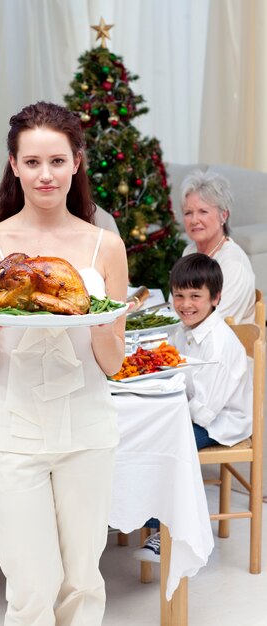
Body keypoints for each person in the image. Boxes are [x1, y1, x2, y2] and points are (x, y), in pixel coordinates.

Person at [0, 101, 128, 625]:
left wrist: (101, 321)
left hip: (86, 424)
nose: (45, 174)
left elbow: (113, 362)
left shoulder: (105, 245)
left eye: (56, 161)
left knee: (82, 579)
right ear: (13, 166)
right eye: (32, 162)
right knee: (30, 586)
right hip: (12, 426)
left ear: (77, 162)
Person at [134, 253, 252, 563]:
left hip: (222, 423)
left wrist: (165, 408)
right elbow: (177, 373)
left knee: (162, 444)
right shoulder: (184, 330)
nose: (186, 304)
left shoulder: (218, 345)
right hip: (196, 410)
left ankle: (166, 530)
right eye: (179, 295)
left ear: (215, 298)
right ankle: (139, 511)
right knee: (141, 431)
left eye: (195, 296)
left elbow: (204, 413)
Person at [180, 169, 255, 324]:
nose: (194, 220)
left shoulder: (233, 264)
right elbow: (178, 307)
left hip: (224, 345)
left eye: (203, 211)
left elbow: (215, 324)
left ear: (224, 216)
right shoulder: (190, 251)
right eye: (188, 213)